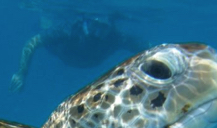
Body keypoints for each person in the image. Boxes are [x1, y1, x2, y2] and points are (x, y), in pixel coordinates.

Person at [10, 13, 140, 92]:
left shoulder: (115, 37)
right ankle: (43, 20)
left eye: (103, 27)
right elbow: (32, 42)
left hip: (88, 61)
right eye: (95, 26)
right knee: (45, 28)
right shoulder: (68, 30)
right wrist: (21, 73)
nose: (97, 33)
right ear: (86, 24)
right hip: (61, 52)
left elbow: (147, 49)